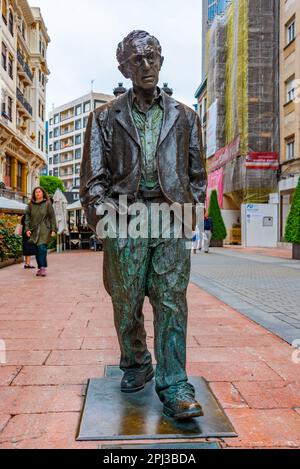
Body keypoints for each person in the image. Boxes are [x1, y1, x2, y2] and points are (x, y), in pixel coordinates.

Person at [80, 30, 207, 420]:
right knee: (126, 301)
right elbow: (92, 179)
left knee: (171, 301)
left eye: (152, 57)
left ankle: (174, 383)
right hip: (126, 216)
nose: (147, 65)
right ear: (124, 67)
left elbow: (197, 174)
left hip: (170, 217)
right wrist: (108, 220)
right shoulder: (104, 116)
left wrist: (192, 211)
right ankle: (136, 363)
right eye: (138, 60)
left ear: (161, 61)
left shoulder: (186, 116)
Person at [25, 187, 57, 277]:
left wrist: (53, 229)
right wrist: (27, 229)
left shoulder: (47, 204)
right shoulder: (30, 205)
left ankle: (43, 268)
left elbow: (52, 217)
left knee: (42, 248)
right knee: (36, 250)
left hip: (44, 229)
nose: (38, 193)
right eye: (36, 192)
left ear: (43, 193)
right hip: (34, 230)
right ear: (34, 194)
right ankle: (40, 267)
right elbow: (27, 218)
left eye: (39, 192)